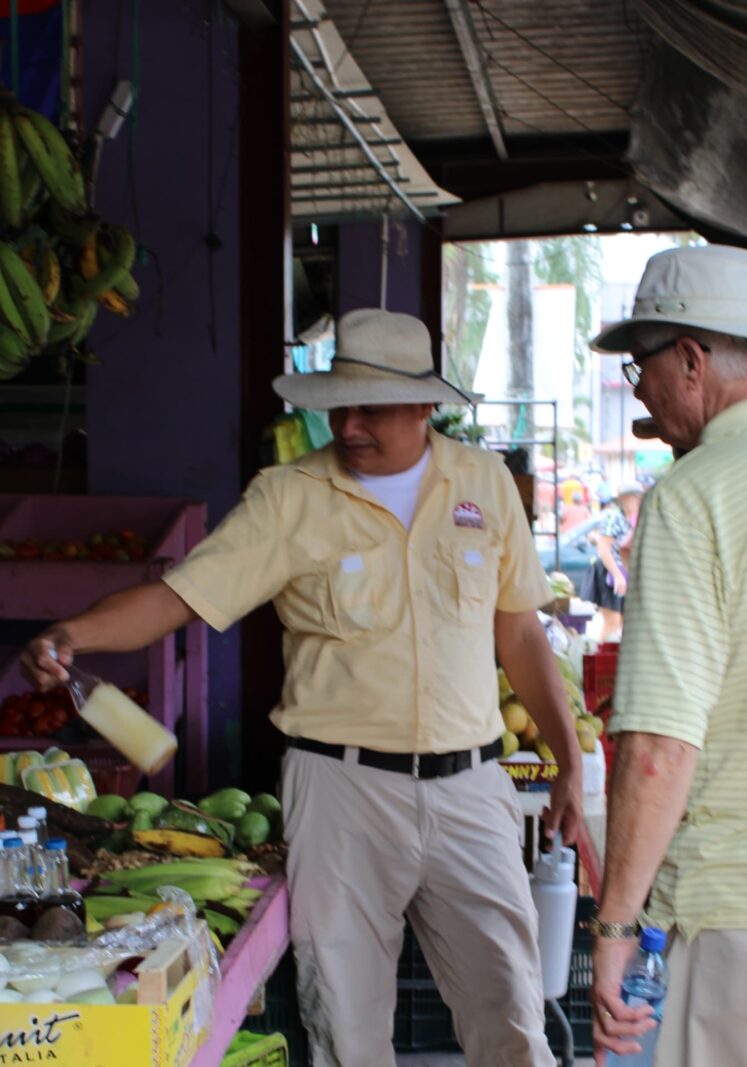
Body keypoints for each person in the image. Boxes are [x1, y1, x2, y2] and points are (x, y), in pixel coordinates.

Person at [21, 308, 583, 1067]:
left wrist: (568, 759)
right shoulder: (288, 496)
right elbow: (178, 596)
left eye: (371, 407)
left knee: (512, 1017)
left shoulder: (481, 482)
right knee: (346, 1029)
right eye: (337, 404)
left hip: (472, 787)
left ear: (425, 406)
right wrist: (73, 634)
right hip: (340, 791)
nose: (348, 424)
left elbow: (518, 632)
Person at [586, 244, 747, 1066]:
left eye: (641, 366)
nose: (636, 389)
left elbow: (657, 749)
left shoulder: (697, 492)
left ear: (691, 358)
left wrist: (613, 927)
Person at [579, 484, 642, 640]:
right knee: (612, 622)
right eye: (632, 497)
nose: (635, 501)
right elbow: (603, 547)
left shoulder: (633, 519)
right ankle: (602, 657)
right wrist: (618, 575)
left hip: (624, 572)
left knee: (623, 622)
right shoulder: (614, 517)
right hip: (609, 573)